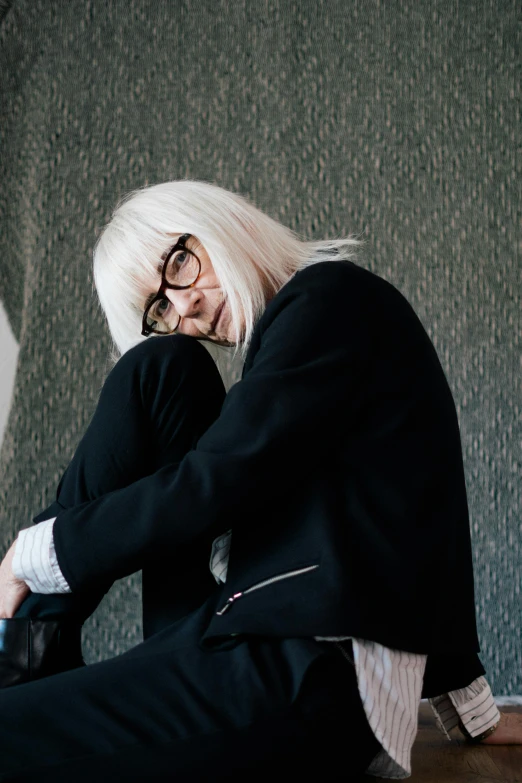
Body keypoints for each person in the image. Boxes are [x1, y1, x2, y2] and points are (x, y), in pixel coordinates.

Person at [0, 180, 517, 781]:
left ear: (220, 222)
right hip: (239, 638)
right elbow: (406, 510)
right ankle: (26, 651)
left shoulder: (329, 298)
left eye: (178, 264)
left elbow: (213, 480)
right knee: (161, 368)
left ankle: (19, 641)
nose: (182, 306)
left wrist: (32, 552)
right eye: (158, 309)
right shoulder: (300, 344)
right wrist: (473, 709)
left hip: (303, 672)